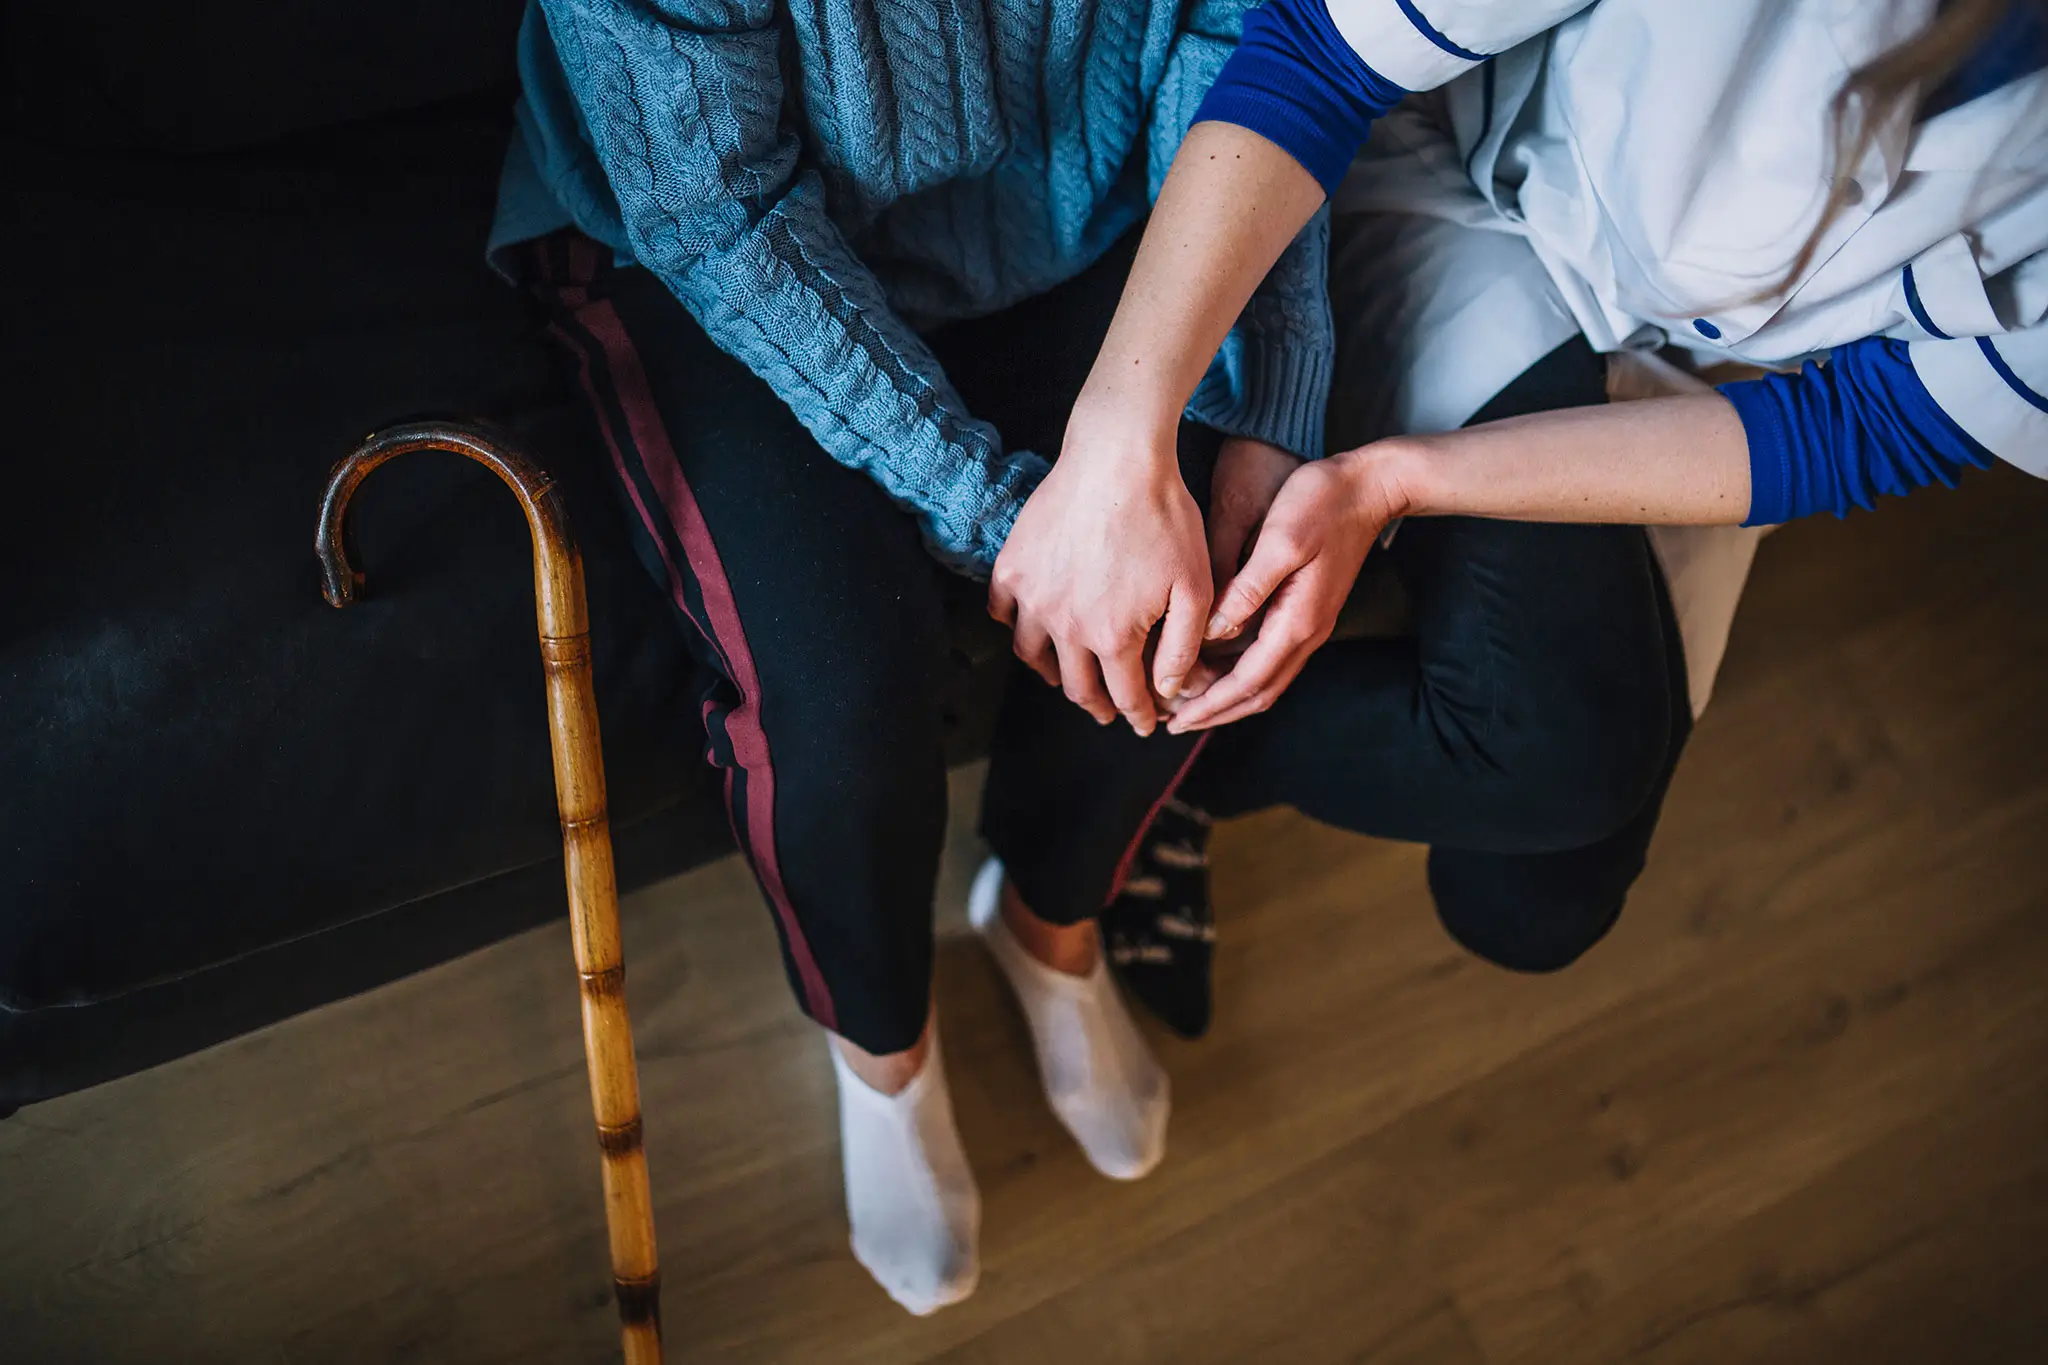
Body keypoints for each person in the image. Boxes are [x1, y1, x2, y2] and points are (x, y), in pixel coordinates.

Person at [487, 0, 1338, 1316]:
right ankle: (882, 1045)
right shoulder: (705, 206)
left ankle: (1052, 920)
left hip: (1087, 192)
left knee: (1204, 572)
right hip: (706, 238)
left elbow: (1255, 34)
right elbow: (717, 214)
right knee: (845, 694)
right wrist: (1016, 523)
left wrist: (1261, 393)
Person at [996, 0, 2048, 1033]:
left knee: (1533, 910)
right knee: (1555, 757)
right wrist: (1115, 448)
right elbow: (1315, 54)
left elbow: (1861, 427)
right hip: (1456, 180)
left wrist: (1393, 482)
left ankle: (1163, 775)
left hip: (1707, 373)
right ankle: (1111, 805)